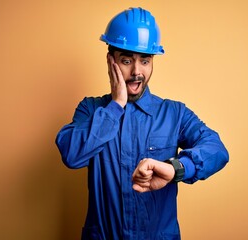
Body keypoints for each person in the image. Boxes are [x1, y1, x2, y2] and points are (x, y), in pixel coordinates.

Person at [56, 7, 229, 240]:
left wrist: (176, 168)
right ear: (111, 62)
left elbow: (216, 150)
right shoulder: (91, 110)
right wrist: (116, 106)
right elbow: (71, 154)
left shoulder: (174, 113)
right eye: (126, 60)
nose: (136, 72)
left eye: (145, 61)